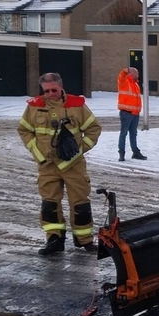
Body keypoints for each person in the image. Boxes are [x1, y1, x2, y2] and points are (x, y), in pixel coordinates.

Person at [17, 72, 102, 255]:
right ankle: (54, 240)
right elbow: (24, 130)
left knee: (80, 203)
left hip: (74, 165)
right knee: (49, 204)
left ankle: (84, 240)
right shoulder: (34, 106)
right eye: (46, 91)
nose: (50, 94)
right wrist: (37, 153)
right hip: (47, 166)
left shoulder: (76, 105)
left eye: (53, 90)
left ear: (61, 86)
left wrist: (79, 151)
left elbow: (94, 128)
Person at [116, 66, 146, 162]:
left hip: (134, 113)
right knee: (123, 133)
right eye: (137, 74)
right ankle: (122, 152)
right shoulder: (124, 83)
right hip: (126, 113)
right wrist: (127, 70)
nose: (138, 75)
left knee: (133, 133)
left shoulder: (136, 85)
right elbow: (121, 75)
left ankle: (135, 152)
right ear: (132, 74)